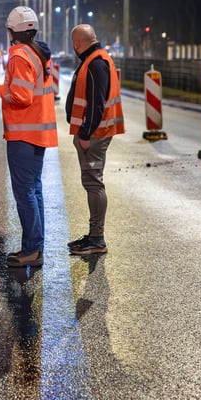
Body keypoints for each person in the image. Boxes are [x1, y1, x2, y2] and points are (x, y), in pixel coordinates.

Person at [0, 6, 57, 268]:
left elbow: (21, 97)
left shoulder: (19, 57)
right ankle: (36, 247)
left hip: (24, 134)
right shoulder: (40, 54)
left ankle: (32, 250)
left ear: (12, 31)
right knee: (34, 191)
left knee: (25, 193)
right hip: (38, 132)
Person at [64, 24, 125, 255]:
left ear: (77, 44)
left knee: (93, 184)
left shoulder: (95, 63)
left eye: (73, 45)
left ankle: (97, 239)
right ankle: (93, 236)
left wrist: (86, 134)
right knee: (92, 183)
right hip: (94, 133)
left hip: (94, 135)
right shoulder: (95, 60)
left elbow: (96, 104)